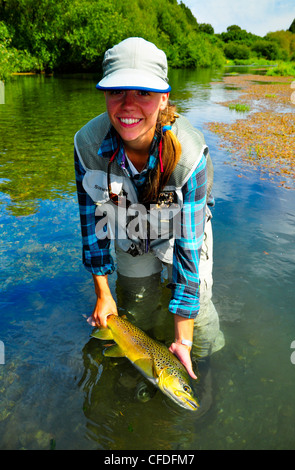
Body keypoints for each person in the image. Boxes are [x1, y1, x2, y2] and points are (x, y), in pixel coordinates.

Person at [74, 37, 224, 380]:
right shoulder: (86, 144)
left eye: (143, 92)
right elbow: (92, 225)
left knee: (198, 317)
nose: (127, 106)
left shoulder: (191, 155)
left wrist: (183, 342)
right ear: (105, 95)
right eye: (117, 92)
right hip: (128, 223)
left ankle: (208, 368)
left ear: (165, 96)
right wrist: (102, 293)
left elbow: (188, 250)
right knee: (135, 303)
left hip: (181, 226)